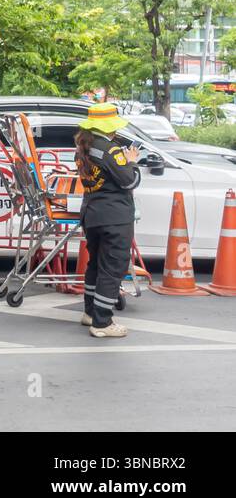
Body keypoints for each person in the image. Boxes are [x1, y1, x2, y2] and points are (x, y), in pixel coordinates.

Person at [73, 103, 140, 338]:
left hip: (92, 214)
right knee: (112, 269)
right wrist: (131, 161)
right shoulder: (110, 150)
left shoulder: (83, 147)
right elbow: (129, 181)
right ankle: (102, 323)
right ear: (109, 127)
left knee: (96, 265)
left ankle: (90, 313)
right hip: (114, 217)